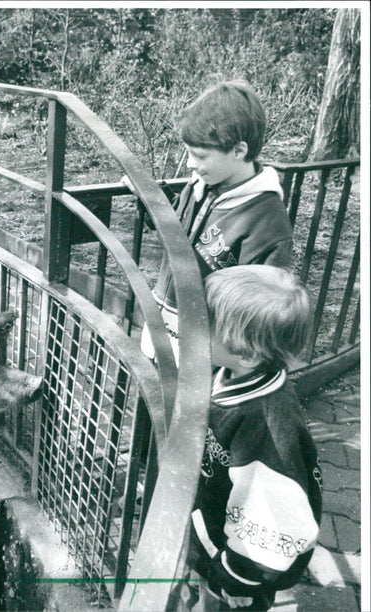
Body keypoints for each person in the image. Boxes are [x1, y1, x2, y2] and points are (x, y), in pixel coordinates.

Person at [178, 265, 322, 611]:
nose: (195, 325)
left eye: (207, 322)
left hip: (239, 570)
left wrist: (238, 576)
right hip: (216, 540)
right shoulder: (232, 374)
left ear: (245, 351)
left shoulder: (266, 425)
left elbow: (274, 514)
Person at [126, 80, 294, 362]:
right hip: (164, 333)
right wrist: (151, 198)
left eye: (199, 155)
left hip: (206, 356)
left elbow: (262, 311)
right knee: (152, 403)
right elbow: (178, 230)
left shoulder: (268, 224)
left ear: (239, 151)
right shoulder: (200, 186)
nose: (190, 164)